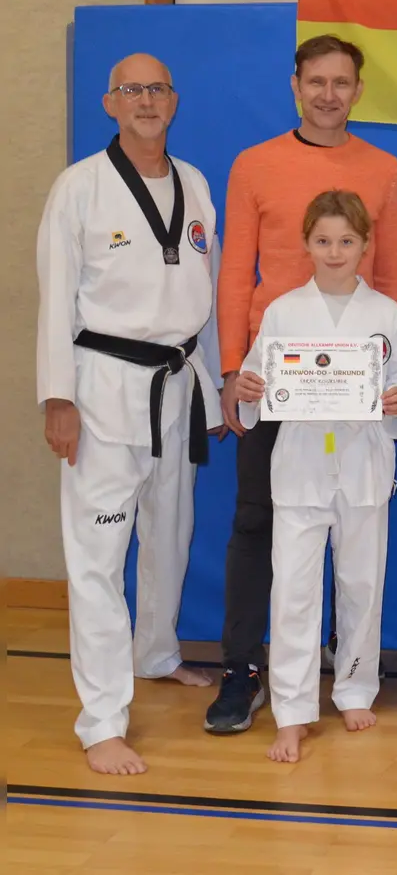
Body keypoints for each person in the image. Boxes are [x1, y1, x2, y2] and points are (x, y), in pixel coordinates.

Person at [206, 33, 397, 735]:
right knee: (258, 528)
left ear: (358, 90)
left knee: (355, 561)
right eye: (316, 81)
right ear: (296, 85)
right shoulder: (254, 163)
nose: (329, 93)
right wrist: (234, 370)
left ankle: (352, 684)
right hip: (275, 379)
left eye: (342, 82)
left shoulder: (382, 167)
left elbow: (390, 279)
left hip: (357, 389)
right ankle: (244, 673)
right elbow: (235, 272)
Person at [35, 53, 224, 775]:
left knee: (170, 533)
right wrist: (58, 397)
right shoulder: (79, 187)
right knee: (98, 559)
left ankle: (156, 652)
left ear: (174, 101)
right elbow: (56, 298)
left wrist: (209, 383)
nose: (146, 101)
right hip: (102, 389)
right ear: (110, 104)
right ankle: (101, 720)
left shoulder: (196, 183)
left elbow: (199, 291)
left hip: (177, 383)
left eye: (157, 89)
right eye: (131, 90)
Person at [232, 191, 397, 763]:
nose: (335, 252)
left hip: (363, 464)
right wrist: (249, 389)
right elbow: (256, 379)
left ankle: (356, 688)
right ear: (306, 244)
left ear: (365, 246)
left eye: (346, 242)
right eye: (323, 241)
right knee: (293, 589)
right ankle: (291, 709)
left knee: (362, 583)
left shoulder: (387, 315)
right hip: (301, 466)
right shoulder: (285, 311)